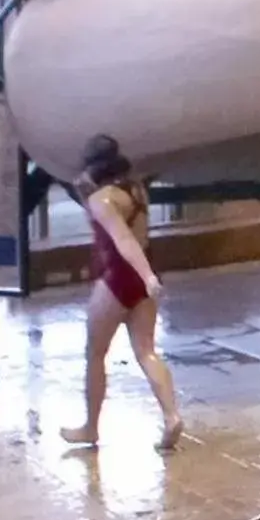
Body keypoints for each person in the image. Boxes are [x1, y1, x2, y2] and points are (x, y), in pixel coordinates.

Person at [63, 135, 181, 453]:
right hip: (145, 276)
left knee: (95, 353)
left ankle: (91, 426)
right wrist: (150, 278)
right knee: (146, 350)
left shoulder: (101, 200)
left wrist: (146, 276)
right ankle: (171, 416)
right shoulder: (136, 190)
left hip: (117, 278)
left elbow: (123, 240)